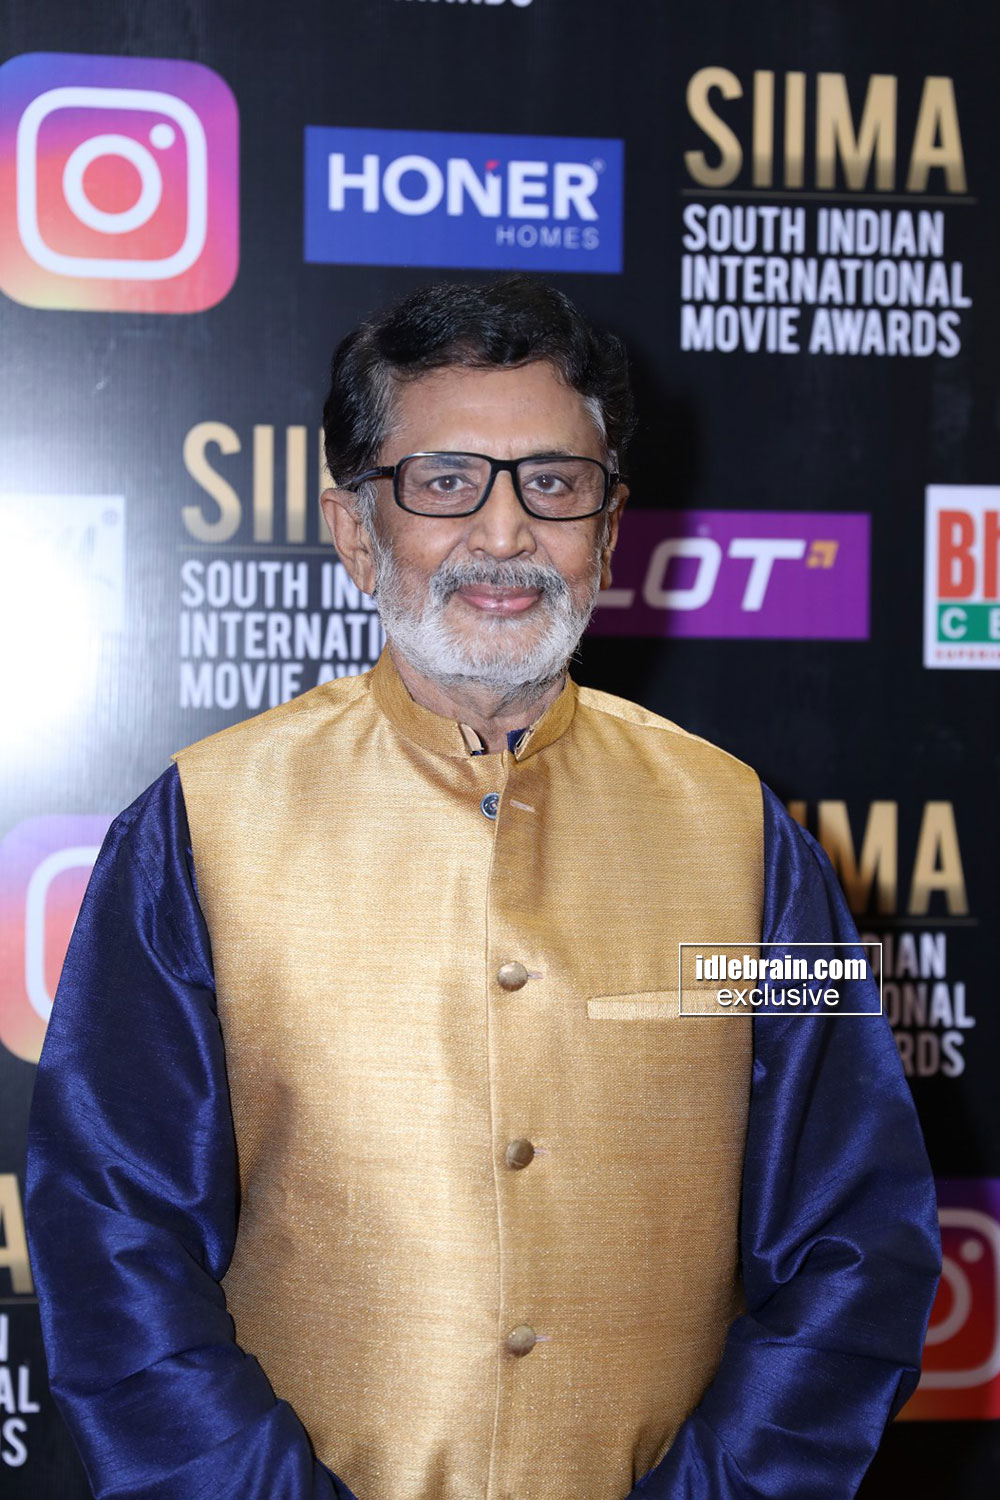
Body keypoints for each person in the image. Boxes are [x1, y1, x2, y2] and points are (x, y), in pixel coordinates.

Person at [27, 276, 940, 1500]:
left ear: (608, 530)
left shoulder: (744, 835)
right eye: (445, 482)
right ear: (356, 528)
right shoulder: (199, 831)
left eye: (553, 484)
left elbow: (855, 1234)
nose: (504, 535)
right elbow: (113, 1241)